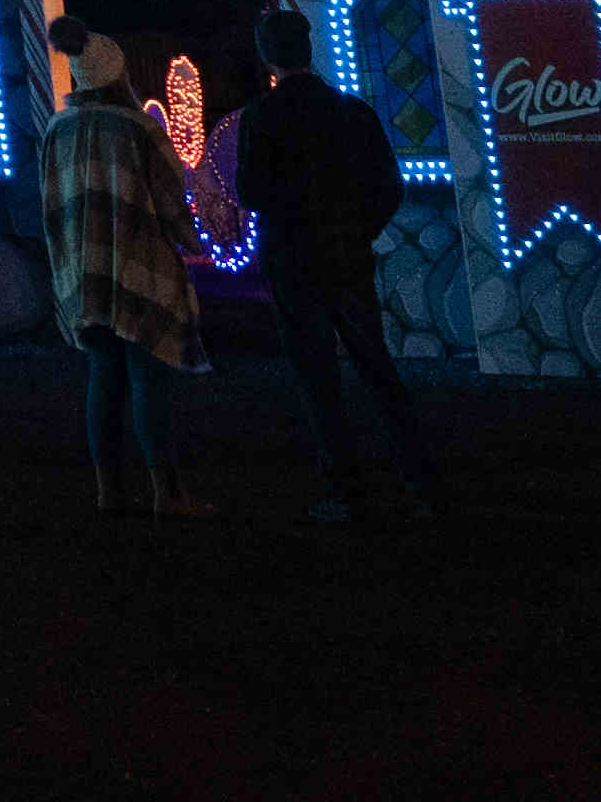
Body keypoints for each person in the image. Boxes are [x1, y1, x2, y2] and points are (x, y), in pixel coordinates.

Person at [240, 36, 432, 519]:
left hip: (291, 258)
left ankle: (346, 490)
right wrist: (360, 228)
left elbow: (250, 192)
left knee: (316, 374)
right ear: (308, 50)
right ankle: (418, 481)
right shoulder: (352, 111)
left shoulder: (262, 115)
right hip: (347, 252)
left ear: (269, 57)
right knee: (375, 363)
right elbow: (389, 184)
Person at [42, 26, 209, 518]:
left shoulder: (58, 129)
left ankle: (108, 492)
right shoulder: (139, 128)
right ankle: (167, 494)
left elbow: (50, 202)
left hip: (85, 275)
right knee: (148, 379)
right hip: (141, 269)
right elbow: (171, 198)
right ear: (120, 74)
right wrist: (193, 242)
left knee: (102, 376)